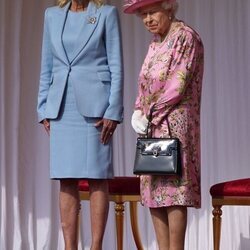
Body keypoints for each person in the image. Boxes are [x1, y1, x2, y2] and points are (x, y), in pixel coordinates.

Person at [37, 0, 123, 249]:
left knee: (97, 177)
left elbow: (116, 66)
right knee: (66, 178)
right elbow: (47, 66)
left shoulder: (106, 14)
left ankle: (96, 246)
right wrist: (43, 107)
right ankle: (69, 246)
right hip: (62, 106)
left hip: (96, 109)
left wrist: (113, 109)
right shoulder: (51, 15)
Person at [124, 0, 204, 249]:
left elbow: (176, 86)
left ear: (168, 7)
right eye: (142, 15)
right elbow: (144, 83)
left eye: (151, 12)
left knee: (174, 191)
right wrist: (138, 109)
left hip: (175, 124)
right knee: (154, 192)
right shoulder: (155, 43)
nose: (147, 19)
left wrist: (149, 113)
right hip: (151, 127)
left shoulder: (186, 37)